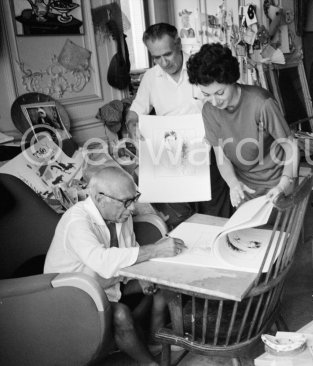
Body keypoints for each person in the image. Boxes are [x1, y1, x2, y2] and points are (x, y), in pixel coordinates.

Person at [44, 166, 186, 366]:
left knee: (162, 284)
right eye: (126, 202)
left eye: (134, 199)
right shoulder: (76, 222)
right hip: (74, 295)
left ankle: (155, 338)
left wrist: (143, 276)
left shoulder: (120, 215)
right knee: (120, 314)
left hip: (107, 284)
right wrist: (155, 250)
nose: (132, 208)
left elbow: (129, 251)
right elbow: (102, 261)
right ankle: (150, 363)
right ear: (100, 198)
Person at [125, 23, 231, 218]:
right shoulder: (150, 78)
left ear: (178, 44)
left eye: (168, 54)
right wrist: (133, 126)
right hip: (173, 156)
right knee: (182, 215)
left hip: (210, 151)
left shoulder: (201, 69)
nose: (164, 63)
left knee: (216, 212)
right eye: (156, 57)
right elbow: (134, 114)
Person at [186, 43, 299, 207]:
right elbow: (221, 156)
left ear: (232, 80)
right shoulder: (209, 111)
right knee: (247, 232)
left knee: (281, 232)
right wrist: (233, 184)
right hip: (244, 187)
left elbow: (291, 147)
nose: (215, 101)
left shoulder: (261, 103)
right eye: (206, 95)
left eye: (220, 93)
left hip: (278, 181)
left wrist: (283, 185)